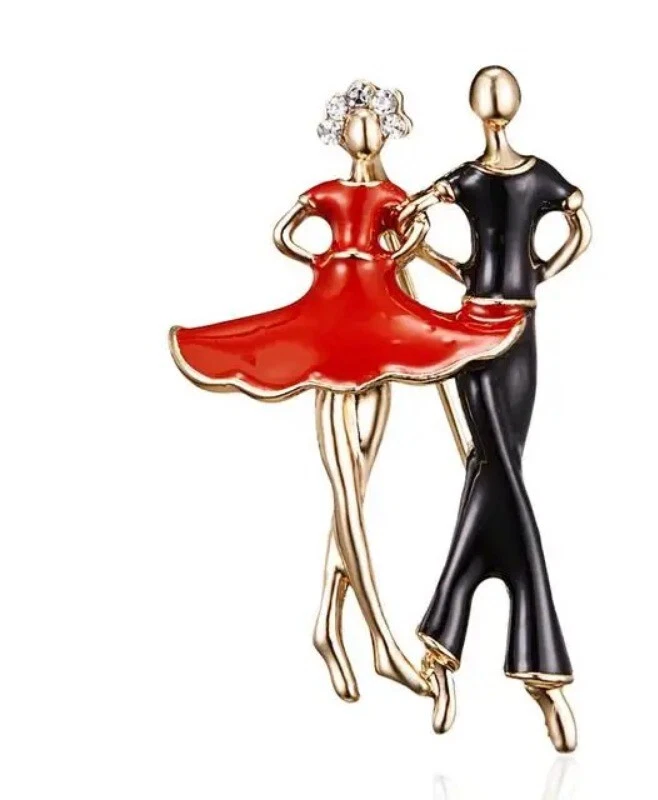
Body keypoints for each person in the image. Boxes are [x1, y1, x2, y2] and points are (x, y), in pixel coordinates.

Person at [169, 81, 527, 723]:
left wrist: (410, 270)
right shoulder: (330, 192)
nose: (363, 133)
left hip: (382, 322)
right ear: (342, 132)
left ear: (385, 131)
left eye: (371, 122)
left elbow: (410, 253)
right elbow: (284, 234)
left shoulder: (395, 198)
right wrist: (327, 260)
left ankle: (328, 622)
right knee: (345, 483)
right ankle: (381, 638)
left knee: (355, 481)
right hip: (328, 320)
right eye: (354, 123)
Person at [399, 66, 592, 751]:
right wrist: (453, 266)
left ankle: (442, 639)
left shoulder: (536, 175)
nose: (495, 111)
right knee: (500, 468)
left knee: (494, 469)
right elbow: (410, 220)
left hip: (519, 330)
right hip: (473, 331)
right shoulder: (468, 178)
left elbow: (580, 225)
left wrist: (541, 273)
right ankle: (543, 667)